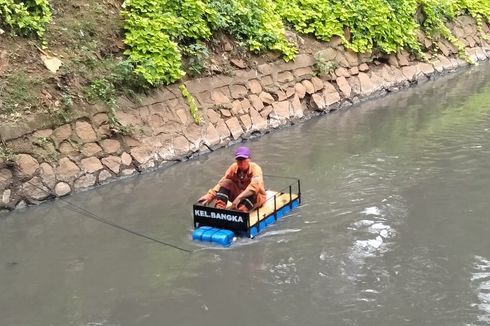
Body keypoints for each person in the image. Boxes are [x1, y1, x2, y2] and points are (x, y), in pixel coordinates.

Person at [198, 146, 266, 212]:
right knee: (226, 182)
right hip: (239, 194)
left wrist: (239, 198)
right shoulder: (233, 167)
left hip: (255, 197)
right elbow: (223, 182)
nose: (241, 162)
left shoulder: (256, 168)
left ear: (249, 159)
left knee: (246, 203)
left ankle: (241, 210)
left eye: (244, 159)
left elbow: (254, 187)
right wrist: (210, 195)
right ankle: (219, 209)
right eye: (239, 160)